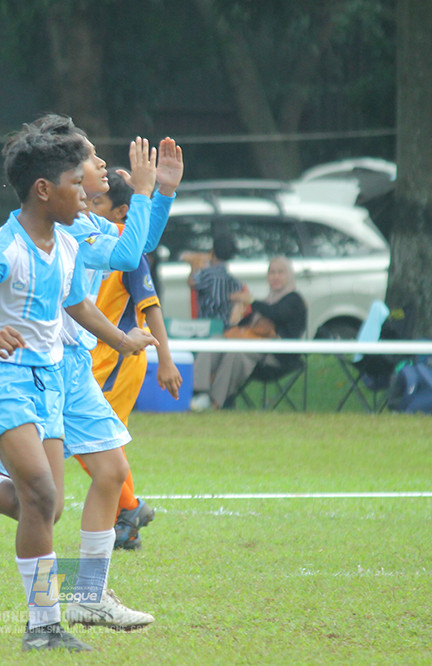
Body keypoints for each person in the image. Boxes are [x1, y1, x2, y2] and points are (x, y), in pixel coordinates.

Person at [0, 115, 181, 639]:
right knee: (42, 497)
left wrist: (122, 339)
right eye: (80, 176)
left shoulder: (66, 239)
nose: (93, 176)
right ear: (47, 190)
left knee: (39, 503)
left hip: (48, 377)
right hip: (1, 380)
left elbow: (86, 295)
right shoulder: (5, 248)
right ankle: (45, 623)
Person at [88, 169, 183, 549]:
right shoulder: (91, 240)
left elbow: (151, 305)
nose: (89, 206)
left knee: (89, 439)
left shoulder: (129, 252)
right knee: (101, 440)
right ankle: (128, 518)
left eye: (97, 202)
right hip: (92, 357)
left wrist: (167, 360)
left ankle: (129, 508)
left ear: (121, 211)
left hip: (118, 359)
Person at [190, 255, 307, 411]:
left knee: (236, 352)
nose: (276, 277)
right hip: (254, 347)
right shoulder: (265, 301)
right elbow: (245, 327)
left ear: (289, 275)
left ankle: (217, 400)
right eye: (272, 273)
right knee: (215, 340)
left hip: (277, 355)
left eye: (280, 272)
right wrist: (236, 317)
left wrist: (250, 301)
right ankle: (197, 390)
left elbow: (277, 313)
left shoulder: (294, 300)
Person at [182, 230, 245, 324]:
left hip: (205, 327)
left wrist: (194, 264)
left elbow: (191, 282)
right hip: (224, 328)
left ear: (213, 252)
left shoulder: (206, 276)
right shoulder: (235, 282)